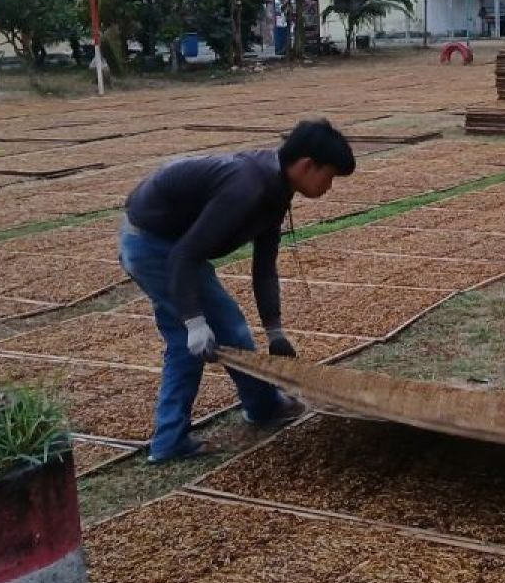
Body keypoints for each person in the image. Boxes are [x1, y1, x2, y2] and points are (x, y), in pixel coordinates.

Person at [119, 119, 357, 464]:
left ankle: (172, 439)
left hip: (169, 244)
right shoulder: (246, 187)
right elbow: (184, 255)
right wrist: (195, 320)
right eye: (330, 176)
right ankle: (261, 407)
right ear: (307, 165)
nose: (329, 186)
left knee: (187, 342)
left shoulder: (276, 189)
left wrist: (275, 330)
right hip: (153, 244)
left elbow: (264, 266)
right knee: (227, 330)